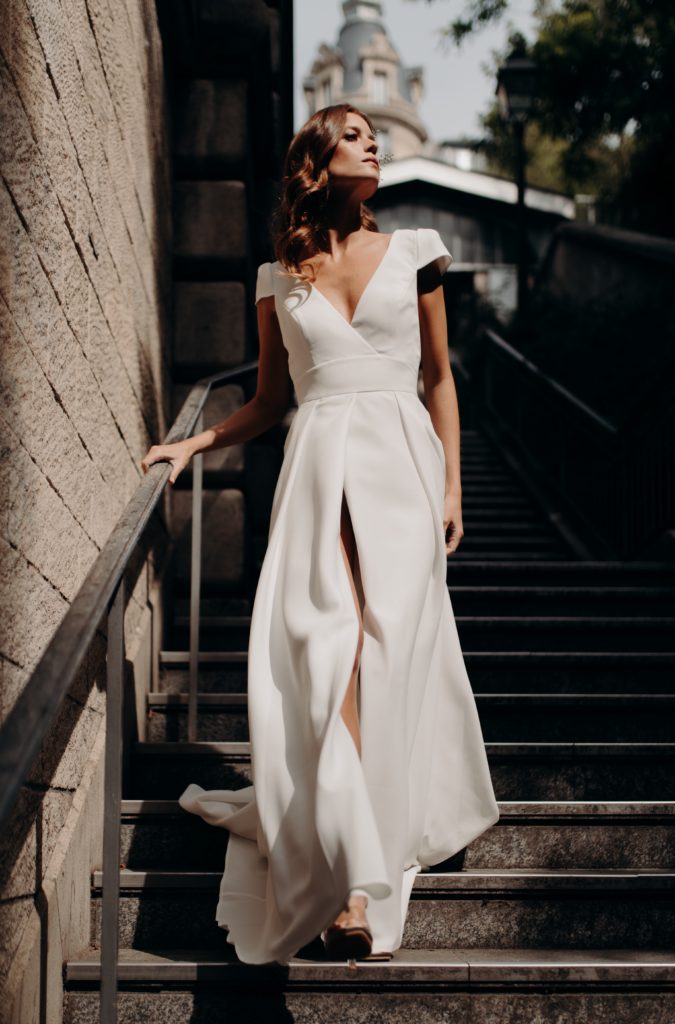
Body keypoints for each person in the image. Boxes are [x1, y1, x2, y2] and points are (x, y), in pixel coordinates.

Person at [141, 103, 500, 965]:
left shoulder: (415, 250)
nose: (370, 140)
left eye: (374, 132)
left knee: (391, 647)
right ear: (313, 157)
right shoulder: (278, 275)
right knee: (326, 647)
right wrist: (198, 437)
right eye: (350, 132)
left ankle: (381, 848)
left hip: (400, 464)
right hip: (317, 466)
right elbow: (270, 401)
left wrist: (451, 485)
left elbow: (439, 379)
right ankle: (343, 875)